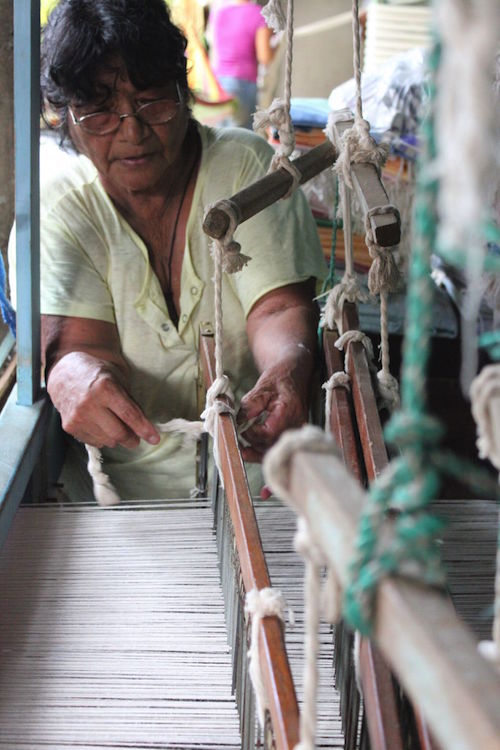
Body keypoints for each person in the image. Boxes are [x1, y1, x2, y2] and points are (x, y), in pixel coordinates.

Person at [10, 0, 325, 502]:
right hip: (121, 501)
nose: (132, 131)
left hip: (259, 481)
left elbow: (279, 306)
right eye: (99, 114)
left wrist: (287, 369)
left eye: (152, 102)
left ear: (184, 91)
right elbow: (81, 349)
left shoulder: (247, 171)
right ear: (65, 118)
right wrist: (72, 375)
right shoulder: (61, 212)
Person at [208, 0, 275, 129]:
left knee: (222, 135)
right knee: (242, 137)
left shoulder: (219, 12)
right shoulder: (259, 14)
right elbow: (265, 57)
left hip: (220, 81)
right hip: (243, 83)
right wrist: (276, 46)